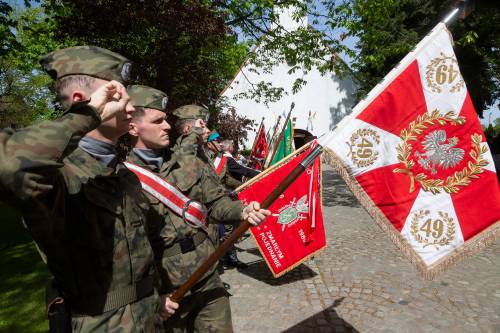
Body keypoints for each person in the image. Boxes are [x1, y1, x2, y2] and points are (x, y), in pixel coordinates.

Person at [0, 46, 176, 332]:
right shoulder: (62, 174)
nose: (130, 107)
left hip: (150, 319)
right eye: (118, 96)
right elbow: (8, 165)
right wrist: (85, 115)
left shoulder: (123, 174)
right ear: (83, 101)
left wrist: (158, 295)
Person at [126, 101, 270, 333]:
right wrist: (150, 298)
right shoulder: (123, 178)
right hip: (168, 291)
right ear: (132, 128)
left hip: (207, 272)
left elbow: (216, 204)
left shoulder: (192, 161)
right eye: (157, 121)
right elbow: (127, 253)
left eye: (165, 120)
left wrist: (242, 211)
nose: (167, 126)